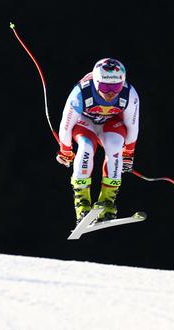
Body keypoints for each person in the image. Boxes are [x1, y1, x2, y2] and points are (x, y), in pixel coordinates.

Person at [55, 58, 140, 224]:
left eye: (116, 87)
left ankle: (107, 201)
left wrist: (128, 153)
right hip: (85, 123)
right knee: (86, 148)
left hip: (110, 123)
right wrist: (65, 150)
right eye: (104, 87)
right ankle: (82, 202)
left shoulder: (129, 94)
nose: (111, 92)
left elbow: (133, 125)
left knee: (115, 146)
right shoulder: (81, 93)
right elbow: (66, 124)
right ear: (95, 81)